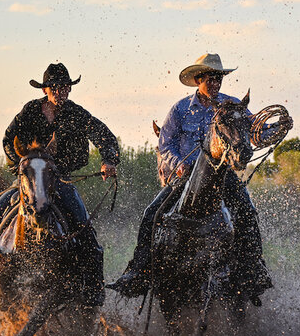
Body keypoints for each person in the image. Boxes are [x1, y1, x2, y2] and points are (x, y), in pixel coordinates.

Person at [109, 53, 275, 304]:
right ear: (198, 80)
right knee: (151, 213)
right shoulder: (180, 109)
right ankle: (139, 270)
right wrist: (179, 166)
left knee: (248, 212)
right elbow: (166, 145)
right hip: (186, 176)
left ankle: (252, 269)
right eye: (211, 78)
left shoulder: (232, 106)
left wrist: (274, 129)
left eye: (219, 78)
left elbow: (253, 133)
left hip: (223, 176)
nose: (216, 83)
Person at [0, 63, 119, 312]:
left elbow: (103, 134)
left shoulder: (76, 113)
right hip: (28, 180)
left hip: (60, 180)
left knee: (87, 233)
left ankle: (93, 291)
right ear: (45, 90)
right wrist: (19, 166)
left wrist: (108, 160)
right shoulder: (30, 111)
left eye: (65, 87)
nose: (60, 91)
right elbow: (8, 140)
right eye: (55, 87)